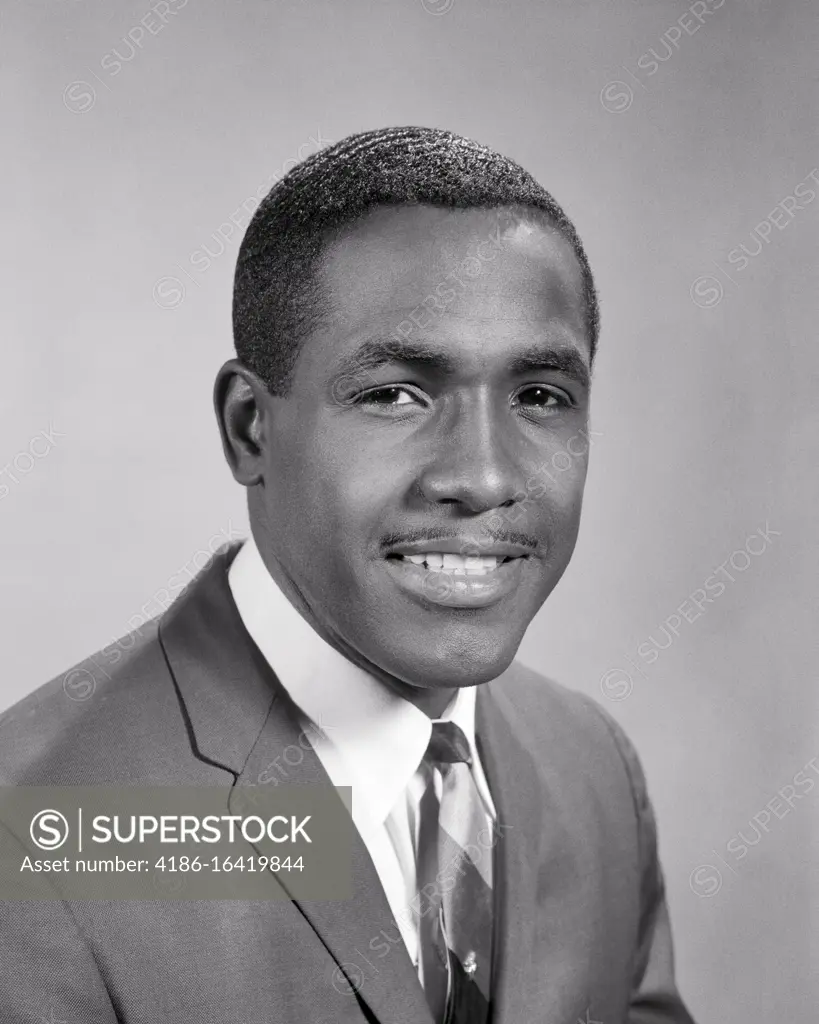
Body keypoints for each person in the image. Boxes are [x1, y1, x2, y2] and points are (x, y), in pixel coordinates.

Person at [0, 126, 697, 1023]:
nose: (482, 477)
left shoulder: (591, 765)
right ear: (250, 427)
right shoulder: (40, 841)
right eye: (394, 394)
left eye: (538, 397)